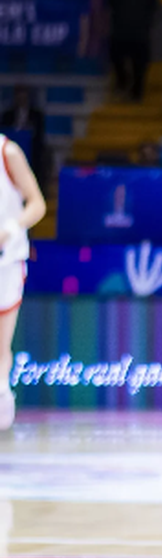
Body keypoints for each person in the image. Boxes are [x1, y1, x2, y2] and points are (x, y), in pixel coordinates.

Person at [0, 131, 47, 429]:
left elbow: (37, 204)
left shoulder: (8, 152)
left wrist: (12, 226)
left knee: (1, 343)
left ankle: (2, 392)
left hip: (6, 260)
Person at [106, 0, 160, 102]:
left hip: (140, 34)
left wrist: (147, 24)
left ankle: (137, 93)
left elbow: (154, 7)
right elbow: (109, 4)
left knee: (140, 65)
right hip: (120, 32)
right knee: (116, 59)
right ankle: (122, 82)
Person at [1, 85, 50, 194]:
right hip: (9, 152)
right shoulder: (7, 115)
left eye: (23, 94)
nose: (21, 97)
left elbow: (40, 138)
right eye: (19, 94)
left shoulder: (37, 115)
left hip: (31, 153)